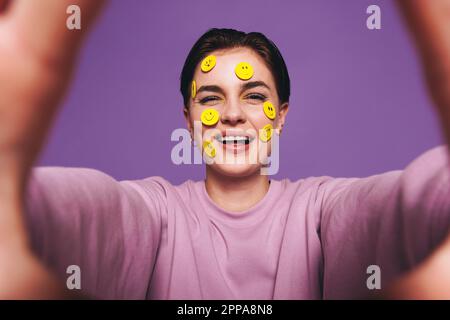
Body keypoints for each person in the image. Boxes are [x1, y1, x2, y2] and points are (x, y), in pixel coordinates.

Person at [0, 0, 449, 299]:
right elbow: (83, 212)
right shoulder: (155, 214)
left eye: (254, 96)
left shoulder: (320, 210)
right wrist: (19, 203)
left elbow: (401, 205)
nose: (232, 114)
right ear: (189, 120)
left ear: (282, 114)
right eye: (211, 98)